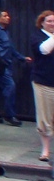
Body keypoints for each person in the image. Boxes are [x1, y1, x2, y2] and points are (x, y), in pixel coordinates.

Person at [0, 9, 31, 125]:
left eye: (8, 16)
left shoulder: (5, 32)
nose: (8, 17)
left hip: (4, 66)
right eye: (5, 16)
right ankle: (9, 115)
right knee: (9, 87)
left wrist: (22, 58)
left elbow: (10, 49)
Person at [30, 10, 54, 161]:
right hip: (43, 82)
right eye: (49, 21)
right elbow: (44, 50)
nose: (52, 24)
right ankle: (45, 151)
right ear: (42, 23)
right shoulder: (37, 36)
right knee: (45, 118)